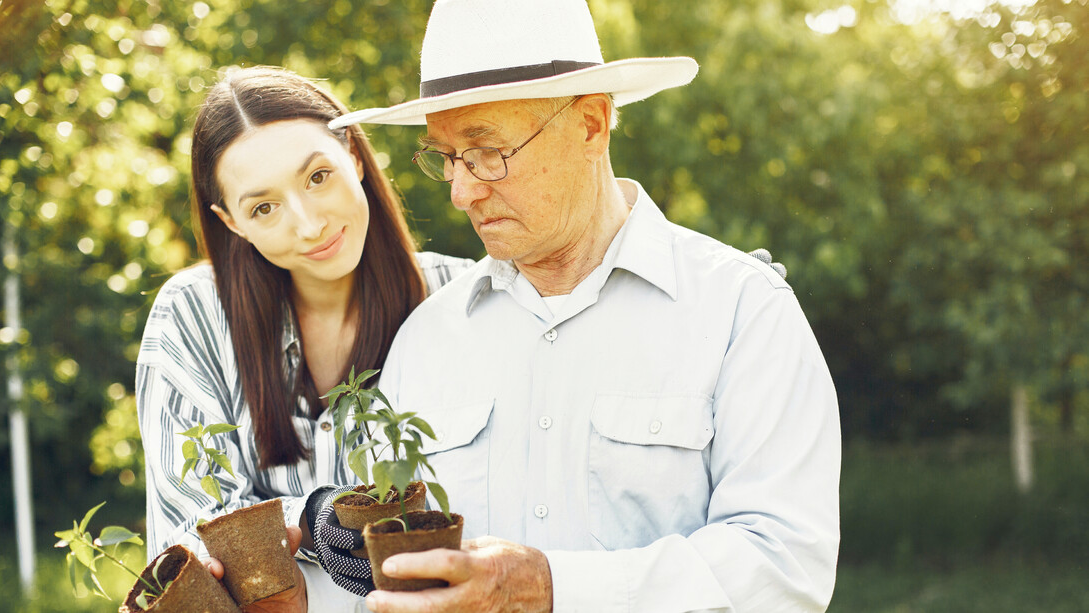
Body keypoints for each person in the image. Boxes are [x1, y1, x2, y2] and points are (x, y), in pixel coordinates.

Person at [306, 0, 843, 612]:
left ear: (590, 124)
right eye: (446, 158)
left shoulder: (743, 311)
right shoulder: (428, 338)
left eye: (487, 151)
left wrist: (550, 588)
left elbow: (782, 565)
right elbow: (385, 581)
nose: (461, 191)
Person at [134, 65, 474, 610]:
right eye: (263, 207)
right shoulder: (192, 315)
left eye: (318, 177)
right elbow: (189, 538)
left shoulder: (463, 298)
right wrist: (311, 516)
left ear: (355, 156)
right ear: (232, 222)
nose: (309, 223)